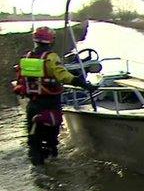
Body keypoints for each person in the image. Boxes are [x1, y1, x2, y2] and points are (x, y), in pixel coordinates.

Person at [12, 26, 96, 165]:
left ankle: (36, 166)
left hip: (33, 103)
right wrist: (85, 85)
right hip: (50, 103)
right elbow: (64, 76)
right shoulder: (51, 58)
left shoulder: (28, 57)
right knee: (52, 139)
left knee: (33, 140)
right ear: (51, 41)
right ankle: (53, 161)